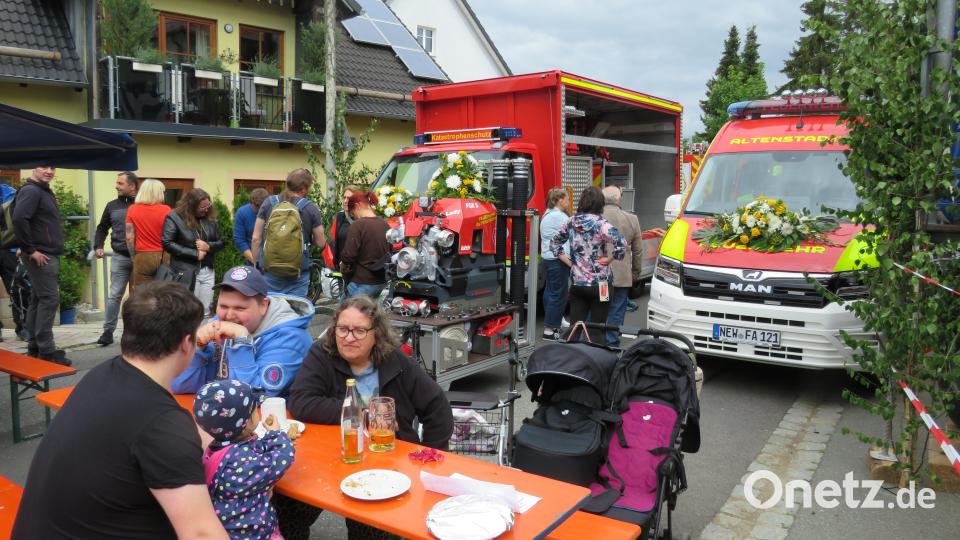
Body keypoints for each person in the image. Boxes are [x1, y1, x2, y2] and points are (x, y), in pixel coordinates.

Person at [11, 281, 228, 539]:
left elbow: (158, 429)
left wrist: (219, 443)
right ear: (186, 343)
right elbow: (201, 534)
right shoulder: (161, 424)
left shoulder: (105, 374)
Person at [281, 296, 454, 540]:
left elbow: (438, 407)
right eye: (342, 329)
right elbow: (301, 402)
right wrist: (361, 414)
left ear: (377, 334)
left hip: (387, 464)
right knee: (287, 507)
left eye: (360, 331)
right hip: (331, 460)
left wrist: (430, 459)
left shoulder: (397, 362)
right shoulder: (323, 354)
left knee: (373, 529)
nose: (349, 338)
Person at [172, 266, 315, 397]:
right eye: (223, 306)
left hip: (269, 421)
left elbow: (254, 397)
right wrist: (197, 348)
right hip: (217, 414)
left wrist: (241, 342)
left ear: (263, 306)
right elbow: (181, 385)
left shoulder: (291, 339)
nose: (228, 315)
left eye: (240, 308)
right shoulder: (219, 324)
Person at [194, 379, 295, 540]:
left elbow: (253, 448)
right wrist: (277, 435)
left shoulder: (219, 447)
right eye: (255, 410)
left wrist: (268, 440)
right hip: (252, 534)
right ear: (246, 422)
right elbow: (281, 458)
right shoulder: (237, 462)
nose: (259, 413)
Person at [550, 186, 625, 344]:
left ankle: (571, 362)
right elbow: (621, 242)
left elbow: (554, 243)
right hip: (601, 284)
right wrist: (610, 259)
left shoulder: (571, 221)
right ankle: (594, 362)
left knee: (575, 328)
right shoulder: (601, 224)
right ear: (600, 204)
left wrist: (571, 263)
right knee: (597, 329)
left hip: (578, 283)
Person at [11, 165, 67, 364]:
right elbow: (19, 219)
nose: (49, 171)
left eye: (52, 167)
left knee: (38, 299)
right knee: (49, 300)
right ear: (34, 168)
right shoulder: (32, 191)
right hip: (41, 255)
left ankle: (35, 346)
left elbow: (34, 221)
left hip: (44, 252)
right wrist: (30, 249)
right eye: (44, 167)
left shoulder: (42, 191)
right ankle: (47, 350)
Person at [251, 168, 326, 297]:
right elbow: (321, 242)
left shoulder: (268, 203)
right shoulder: (311, 208)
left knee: (272, 311)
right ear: (304, 189)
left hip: (270, 271)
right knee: (295, 311)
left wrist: (255, 263)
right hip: (298, 273)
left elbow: (256, 238)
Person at [94, 171, 139, 346]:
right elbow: (102, 227)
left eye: (120, 183)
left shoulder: (144, 205)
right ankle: (107, 332)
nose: (116, 186)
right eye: (117, 182)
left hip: (141, 259)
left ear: (132, 186)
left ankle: (135, 332)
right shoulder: (112, 205)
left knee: (138, 297)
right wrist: (98, 245)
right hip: (120, 257)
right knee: (114, 296)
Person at [162, 188, 223, 317]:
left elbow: (221, 242)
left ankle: (201, 337)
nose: (206, 210)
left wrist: (209, 246)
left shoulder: (211, 219)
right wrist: (194, 253)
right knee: (187, 311)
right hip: (186, 271)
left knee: (205, 311)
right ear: (191, 205)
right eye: (202, 207)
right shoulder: (174, 217)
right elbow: (167, 242)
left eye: (208, 206)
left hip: (208, 270)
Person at [601, 186, 643, 347]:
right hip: (622, 275)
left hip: (600, 275)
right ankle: (611, 341)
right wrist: (635, 272)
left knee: (600, 306)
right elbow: (638, 251)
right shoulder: (632, 219)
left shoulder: (596, 217)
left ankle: (595, 340)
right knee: (617, 308)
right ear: (619, 199)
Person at [340, 191, 390, 299]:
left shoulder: (358, 225)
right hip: (380, 282)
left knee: (344, 312)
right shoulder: (385, 224)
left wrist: (342, 263)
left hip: (362, 282)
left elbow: (349, 256)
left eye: (353, 213)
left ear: (357, 206)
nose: (355, 217)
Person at [125, 179, 171, 289]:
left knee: (142, 295)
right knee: (163, 292)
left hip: (143, 257)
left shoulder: (133, 209)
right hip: (164, 256)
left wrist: (133, 257)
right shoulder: (167, 210)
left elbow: (129, 238)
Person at [540, 188, 571, 341]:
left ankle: (553, 322)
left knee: (550, 292)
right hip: (558, 259)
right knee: (558, 294)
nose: (568, 202)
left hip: (548, 257)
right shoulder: (559, 216)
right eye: (567, 199)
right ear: (560, 200)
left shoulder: (547, 214)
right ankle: (549, 330)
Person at [0, 180, 27, 342]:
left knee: (17, 289)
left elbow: (23, 220)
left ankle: (22, 326)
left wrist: (23, 245)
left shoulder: (11, 193)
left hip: (10, 250)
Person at [329, 184, 362, 270]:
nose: (345, 201)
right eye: (344, 198)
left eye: (349, 198)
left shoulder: (363, 219)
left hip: (358, 269)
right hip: (342, 268)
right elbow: (334, 242)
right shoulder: (340, 216)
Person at [234, 188, 270, 266]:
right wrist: (255, 261)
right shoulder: (242, 212)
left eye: (263, 207)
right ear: (251, 202)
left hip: (272, 261)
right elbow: (239, 240)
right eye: (257, 206)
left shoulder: (273, 212)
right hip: (252, 261)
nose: (260, 210)